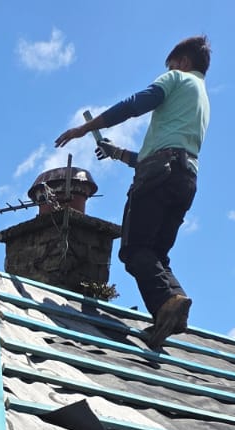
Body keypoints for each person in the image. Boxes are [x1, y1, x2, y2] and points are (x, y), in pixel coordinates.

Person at [54, 36, 211, 349]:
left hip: (159, 175)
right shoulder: (201, 101)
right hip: (184, 179)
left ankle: (167, 303)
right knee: (156, 256)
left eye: (170, 65)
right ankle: (174, 306)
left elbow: (136, 104)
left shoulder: (176, 78)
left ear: (182, 62)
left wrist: (84, 128)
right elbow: (158, 153)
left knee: (134, 250)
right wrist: (117, 153)